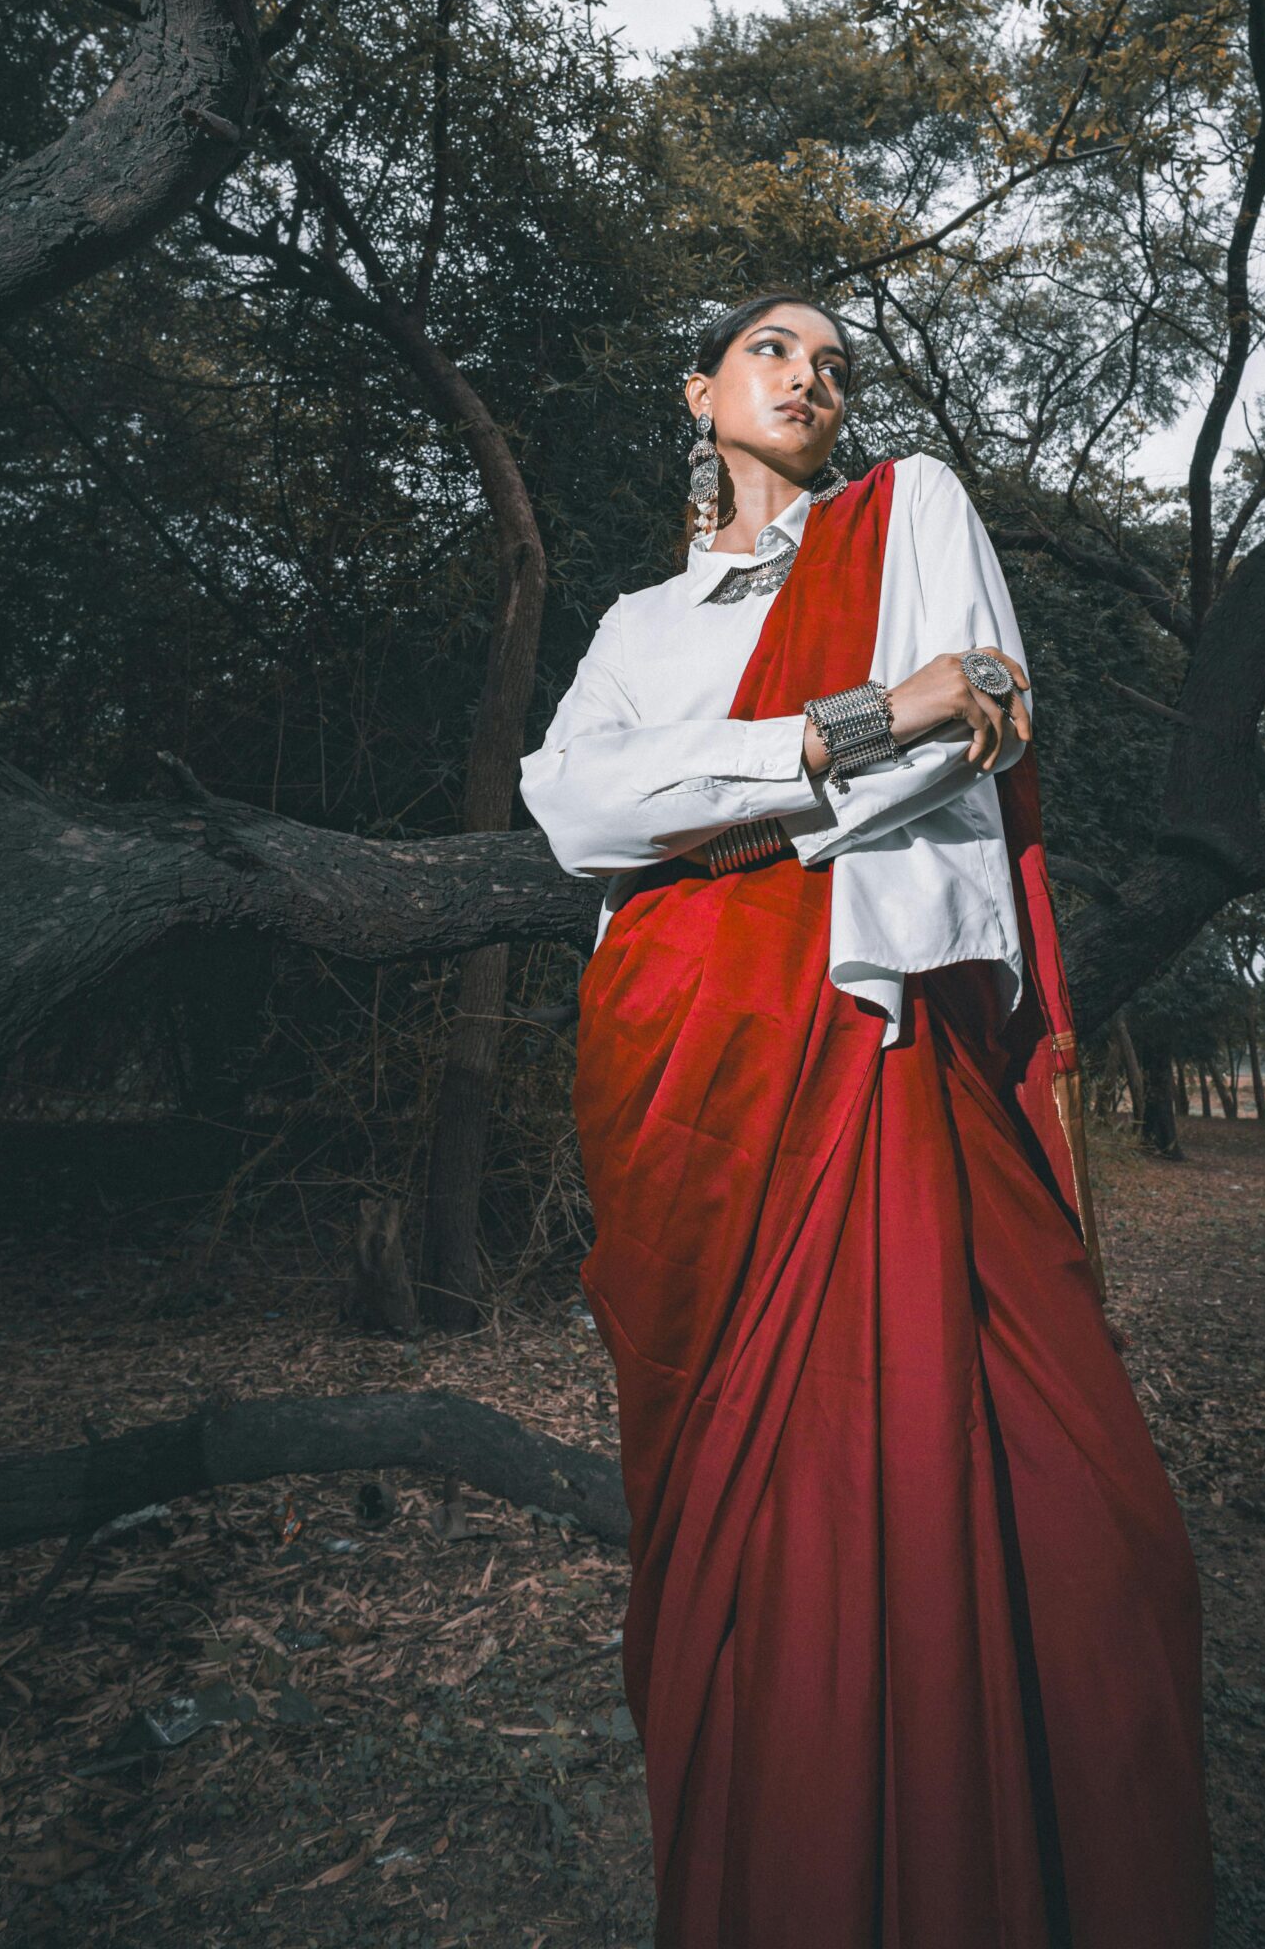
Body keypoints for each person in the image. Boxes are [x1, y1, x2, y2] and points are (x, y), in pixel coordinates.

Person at [517, 292, 1214, 1949]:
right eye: (774, 351)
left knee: (1080, 1522)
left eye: (836, 363)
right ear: (701, 393)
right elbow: (573, 809)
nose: (814, 377)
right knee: (739, 1528)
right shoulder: (635, 623)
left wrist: (727, 794)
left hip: (866, 1028)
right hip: (677, 1063)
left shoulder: (914, 515)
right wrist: (845, 719)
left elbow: (969, 726)